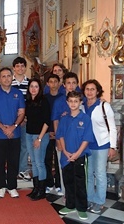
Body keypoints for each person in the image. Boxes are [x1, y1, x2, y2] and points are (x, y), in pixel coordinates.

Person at [0, 67, 25, 198]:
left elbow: (22, 112)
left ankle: (12, 186)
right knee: (0, 161)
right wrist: (3, 128)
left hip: (15, 133)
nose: (6, 78)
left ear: (12, 77)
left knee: (13, 160)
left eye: (9, 76)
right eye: (3, 76)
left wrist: (13, 127)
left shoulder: (18, 93)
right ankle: (1, 186)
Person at [56, 91, 94, 221]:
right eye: (71, 101)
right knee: (68, 181)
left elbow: (87, 138)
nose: (73, 104)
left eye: (76, 101)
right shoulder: (64, 118)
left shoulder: (85, 119)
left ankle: (81, 208)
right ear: (67, 102)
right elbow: (60, 135)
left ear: (80, 102)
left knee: (80, 182)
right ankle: (70, 205)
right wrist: (65, 151)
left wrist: (77, 154)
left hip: (80, 155)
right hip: (66, 156)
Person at [82, 79, 118, 213]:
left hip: (102, 144)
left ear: (97, 91)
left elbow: (112, 128)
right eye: (87, 89)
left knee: (100, 173)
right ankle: (90, 198)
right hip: (87, 145)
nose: (89, 92)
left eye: (92, 89)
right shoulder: (82, 106)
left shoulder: (104, 106)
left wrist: (112, 146)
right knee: (89, 174)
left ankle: (99, 201)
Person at [51, 72, 80, 196]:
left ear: (77, 84)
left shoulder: (81, 99)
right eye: (68, 83)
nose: (71, 86)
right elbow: (56, 120)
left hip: (78, 140)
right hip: (63, 139)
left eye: (74, 83)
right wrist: (58, 139)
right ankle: (65, 192)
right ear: (64, 85)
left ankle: (77, 193)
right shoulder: (59, 101)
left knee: (78, 169)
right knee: (63, 166)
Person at [25, 78, 50, 200]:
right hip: (29, 134)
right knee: (33, 163)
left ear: (40, 89)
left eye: (36, 86)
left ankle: (42, 190)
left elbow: (47, 121)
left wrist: (39, 138)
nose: (33, 89)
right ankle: (35, 188)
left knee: (40, 163)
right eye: (31, 86)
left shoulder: (43, 101)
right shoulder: (28, 101)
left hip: (40, 135)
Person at [11, 56, 31, 181]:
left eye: (22, 66)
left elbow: (30, 102)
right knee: (12, 145)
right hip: (11, 120)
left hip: (25, 120)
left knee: (24, 145)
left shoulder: (30, 83)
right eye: (17, 66)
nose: (20, 68)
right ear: (14, 68)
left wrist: (25, 117)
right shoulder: (9, 82)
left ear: (25, 68)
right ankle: (13, 169)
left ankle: (22, 169)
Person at [44, 74, 63, 196]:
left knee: (58, 160)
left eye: (55, 81)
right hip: (47, 132)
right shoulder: (44, 98)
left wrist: (57, 133)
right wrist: (49, 131)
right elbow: (44, 116)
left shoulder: (63, 98)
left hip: (60, 133)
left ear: (59, 83)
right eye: (51, 82)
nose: (53, 84)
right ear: (47, 84)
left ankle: (59, 184)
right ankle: (49, 183)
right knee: (47, 159)